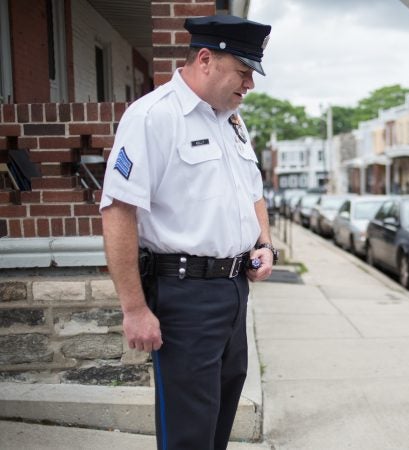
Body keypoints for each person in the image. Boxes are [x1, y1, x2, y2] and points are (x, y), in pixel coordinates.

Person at [99, 15, 276, 450]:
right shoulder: (152, 117)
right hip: (184, 296)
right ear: (205, 59)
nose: (249, 83)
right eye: (243, 71)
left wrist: (264, 243)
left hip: (234, 291)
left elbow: (253, 192)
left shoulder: (231, 120)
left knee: (219, 422)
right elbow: (118, 211)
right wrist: (134, 309)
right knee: (188, 433)